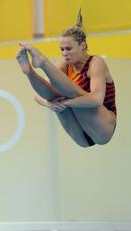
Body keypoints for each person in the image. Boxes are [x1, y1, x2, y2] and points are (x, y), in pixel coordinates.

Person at [16, 10, 116, 147]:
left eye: (68, 49)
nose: (65, 54)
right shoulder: (66, 64)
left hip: (103, 128)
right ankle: (29, 72)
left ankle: (44, 62)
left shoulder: (95, 62)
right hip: (82, 138)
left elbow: (96, 100)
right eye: (62, 49)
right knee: (52, 95)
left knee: (70, 92)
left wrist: (67, 102)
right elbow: (37, 96)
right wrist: (49, 104)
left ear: (83, 46)